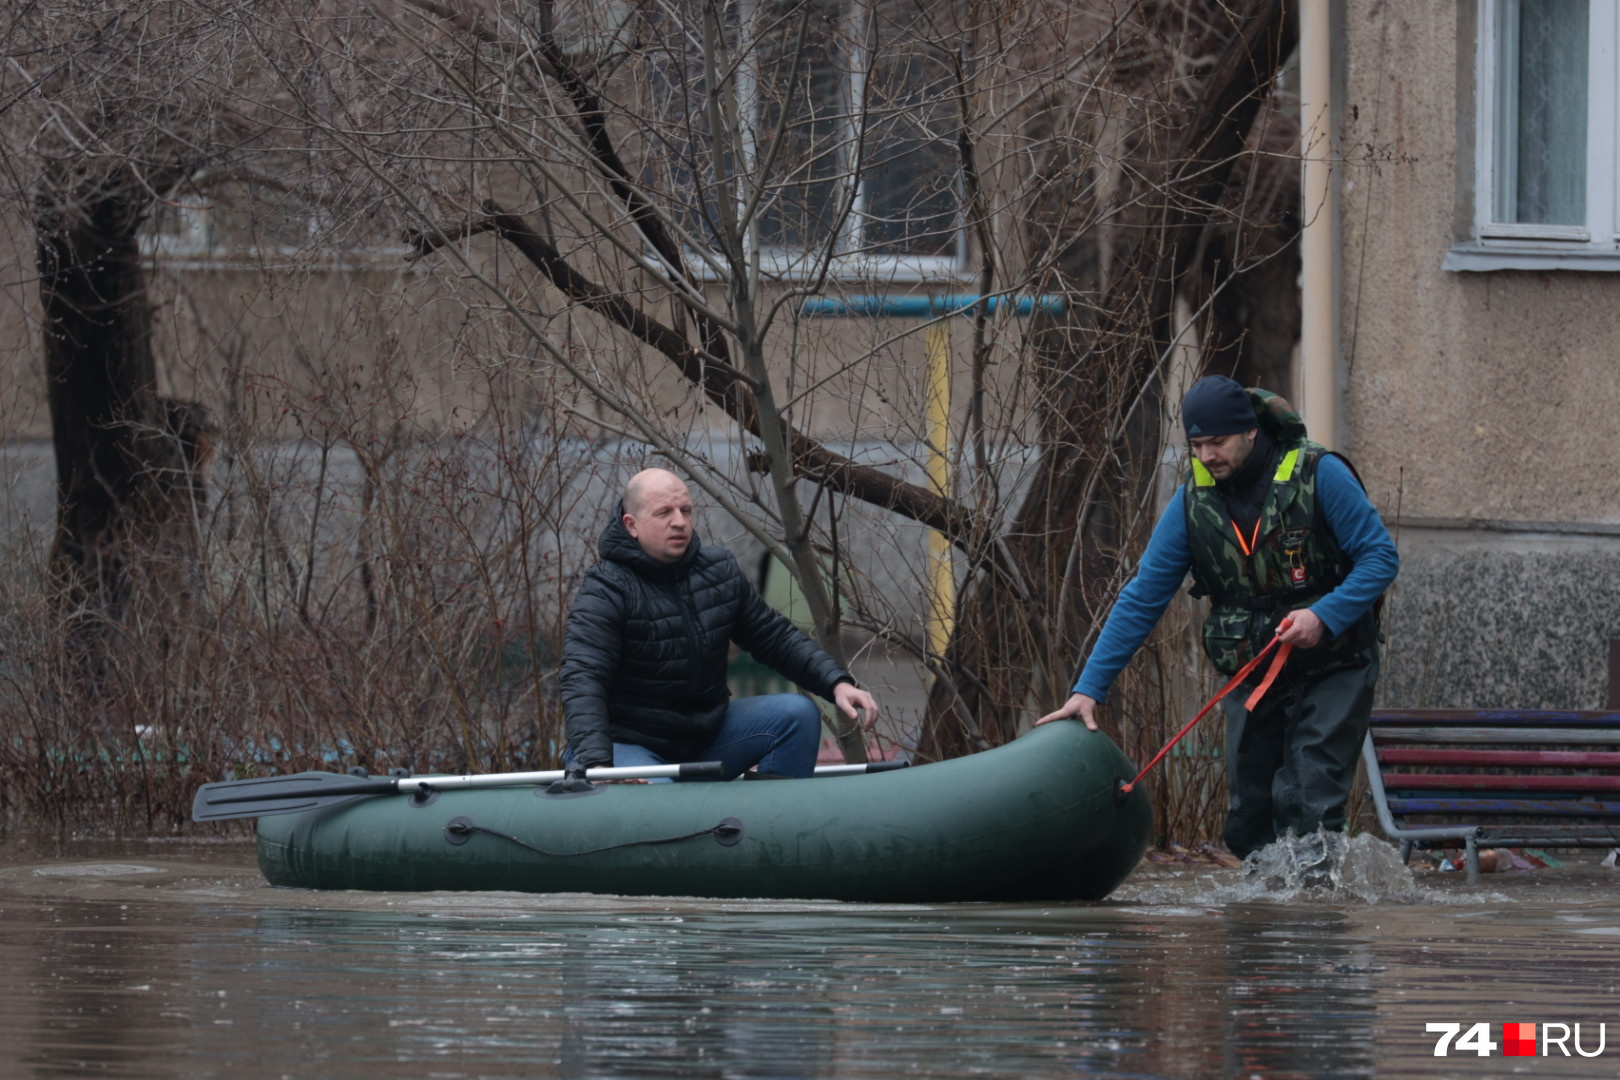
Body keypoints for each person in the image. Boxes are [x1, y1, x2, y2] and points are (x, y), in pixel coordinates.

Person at [1037, 376, 1399, 861]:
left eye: (1218, 442)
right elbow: (1143, 596)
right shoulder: (1192, 503)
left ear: (1250, 432)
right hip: (1253, 673)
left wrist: (1323, 615)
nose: (1207, 455)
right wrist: (1088, 690)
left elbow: (1380, 558)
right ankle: (1261, 928)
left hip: (1336, 665)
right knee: (1249, 820)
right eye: (1197, 444)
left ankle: (1318, 925)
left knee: (1308, 802)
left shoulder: (1319, 474)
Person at [558, 468, 879, 781]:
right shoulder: (606, 588)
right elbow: (583, 676)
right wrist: (597, 764)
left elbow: (774, 636)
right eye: (664, 513)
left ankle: (770, 829)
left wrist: (836, 682)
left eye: (686, 510)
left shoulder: (718, 571)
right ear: (632, 525)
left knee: (796, 715)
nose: (680, 521)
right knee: (658, 800)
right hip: (628, 745)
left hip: (704, 737)